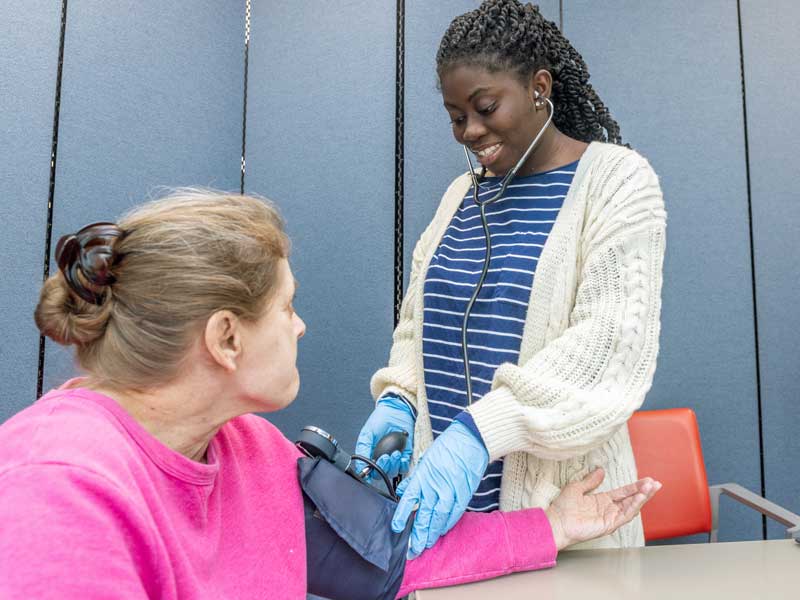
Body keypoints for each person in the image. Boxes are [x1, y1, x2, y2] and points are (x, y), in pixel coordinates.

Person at [0, 190, 659, 599]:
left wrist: (555, 525)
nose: (300, 325)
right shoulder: (57, 493)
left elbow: (385, 555)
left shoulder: (248, 450)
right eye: (287, 307)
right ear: (226, 338)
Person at [358, 0, 666, 558]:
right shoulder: (461, 195)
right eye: (456, 116)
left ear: (539, 87)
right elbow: (418, 319)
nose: (470, 131)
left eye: (485, 107)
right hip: (449, 519)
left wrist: (480, 433)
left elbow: (608, 347)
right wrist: (400, 398)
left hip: (564, 520)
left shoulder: (618, 182)